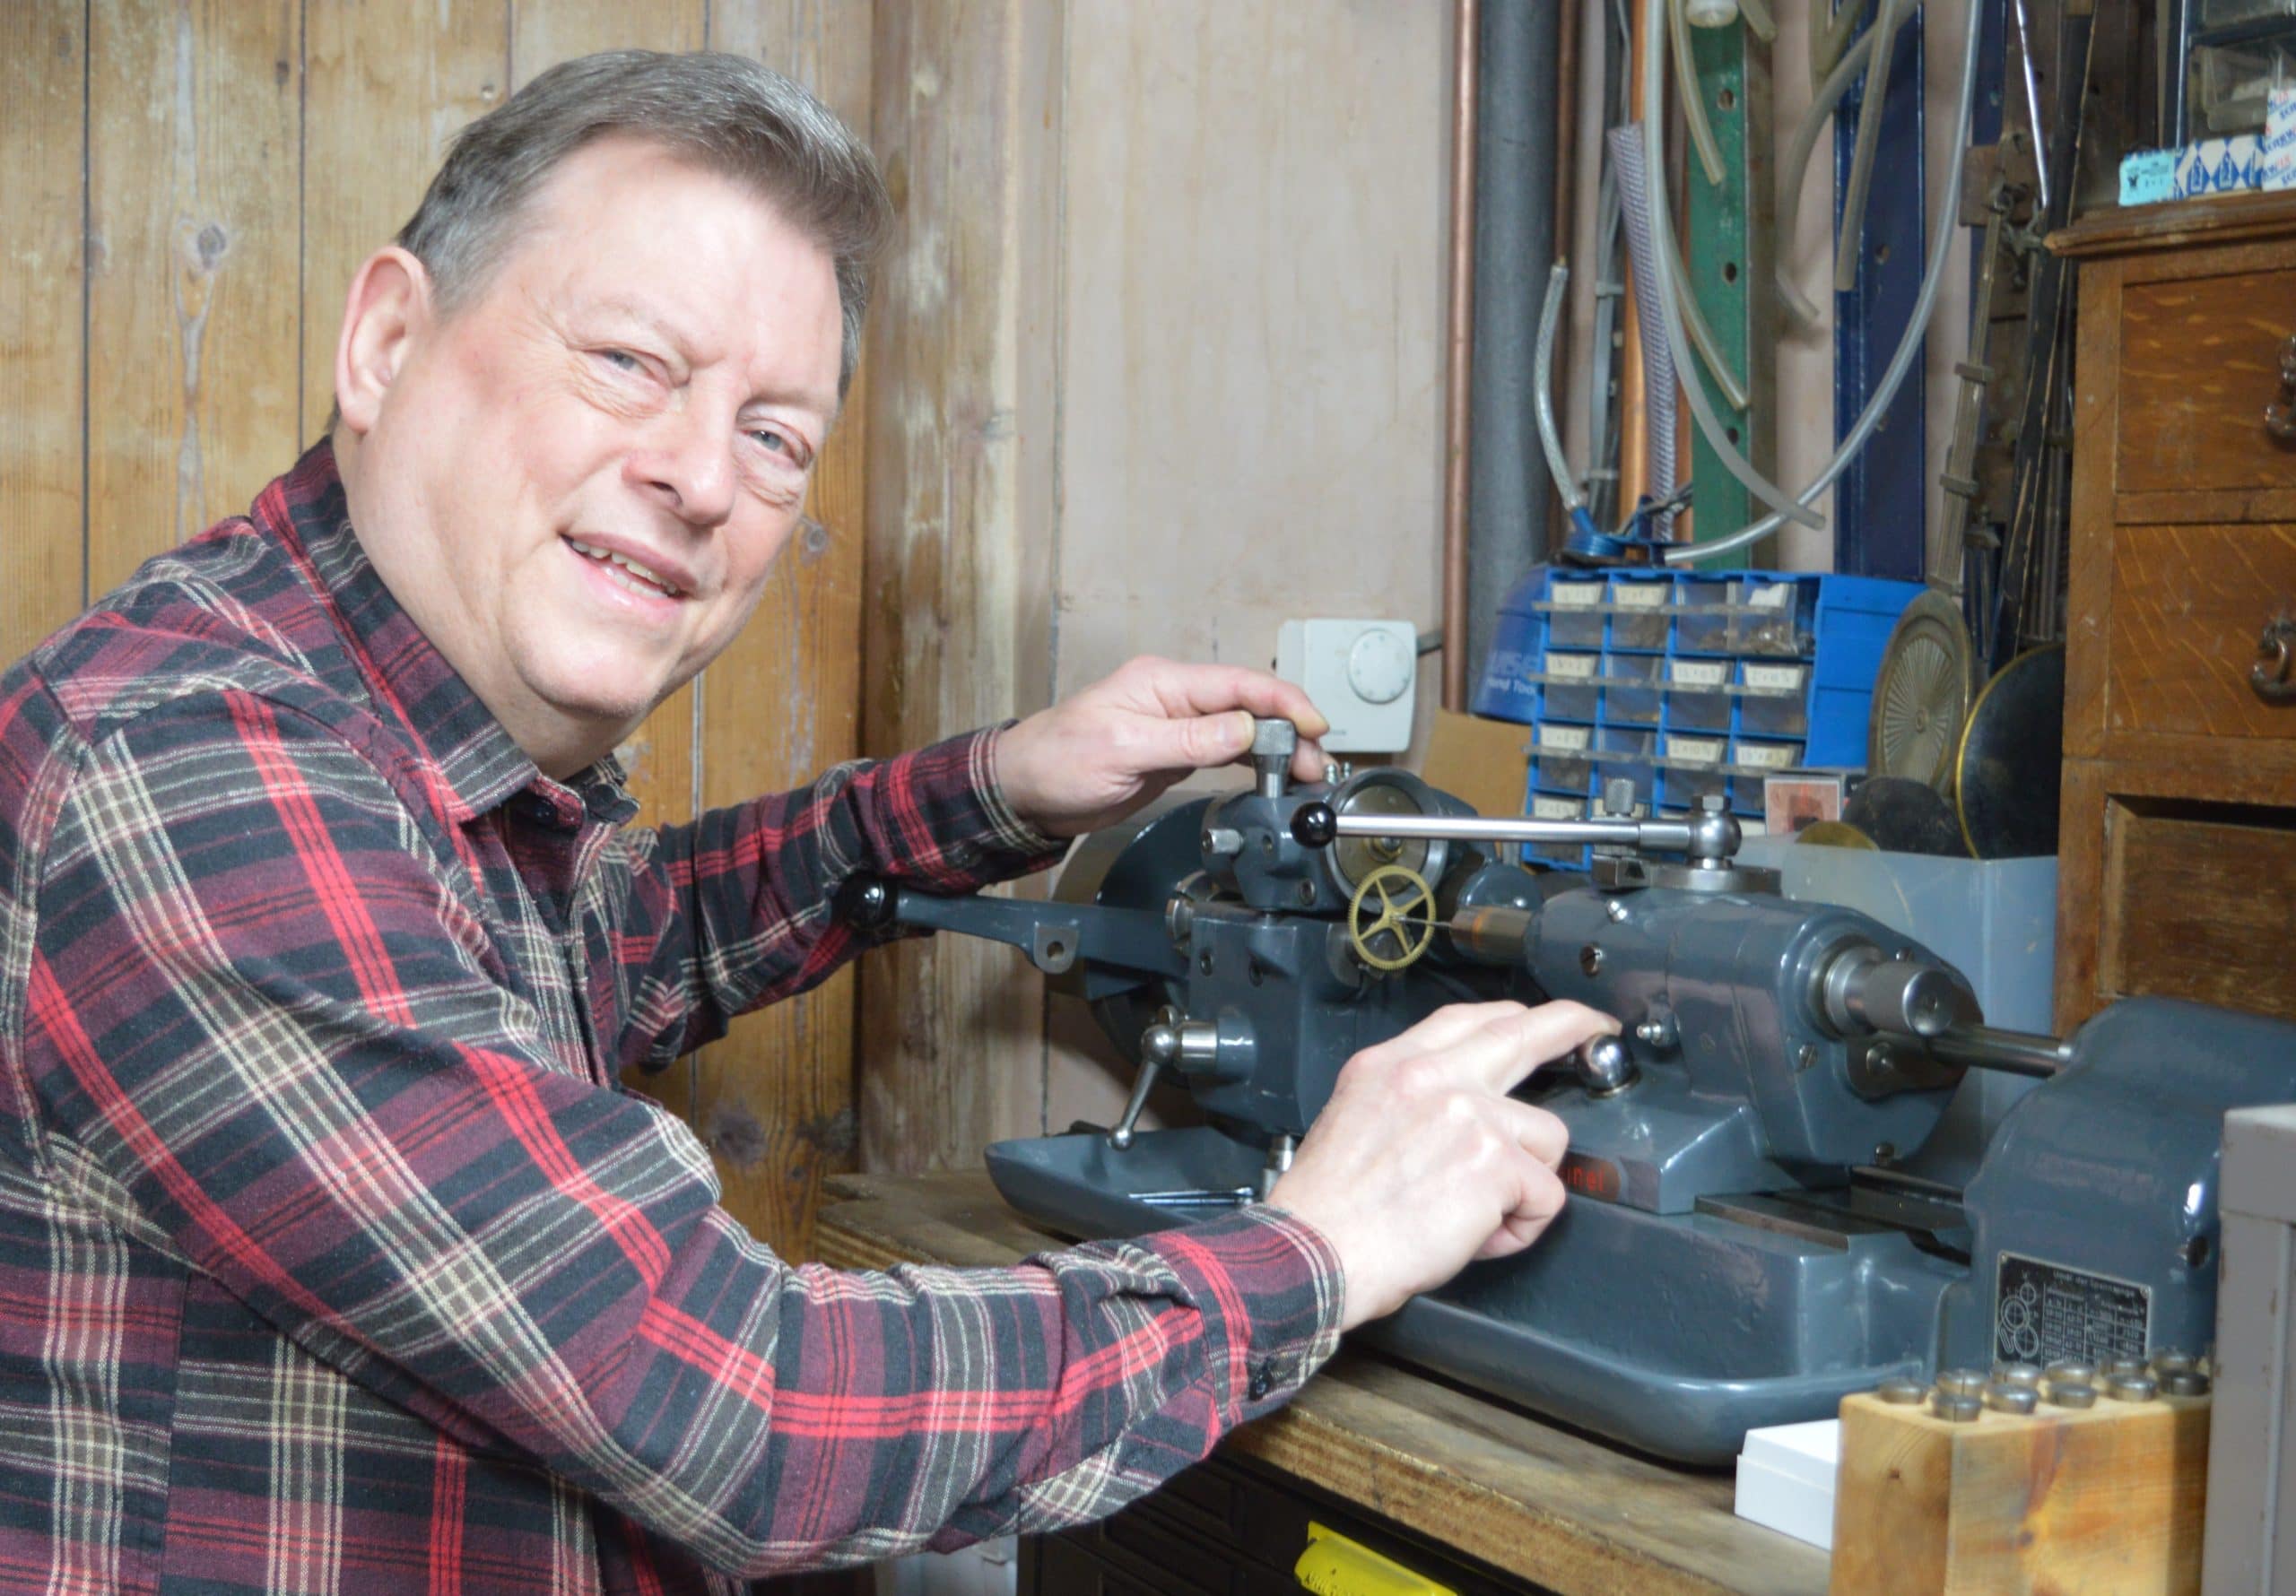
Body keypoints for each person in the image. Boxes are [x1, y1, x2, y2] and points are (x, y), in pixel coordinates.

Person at [0, 50, 1613, 1592]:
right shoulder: (194, 769)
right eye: (629, 362)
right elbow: (741, 1408)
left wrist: (996, 788)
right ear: (384, 342)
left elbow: (625, 940)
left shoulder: (391, 728)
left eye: (775, 438)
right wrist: (1318, 1246)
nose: (703, 479)